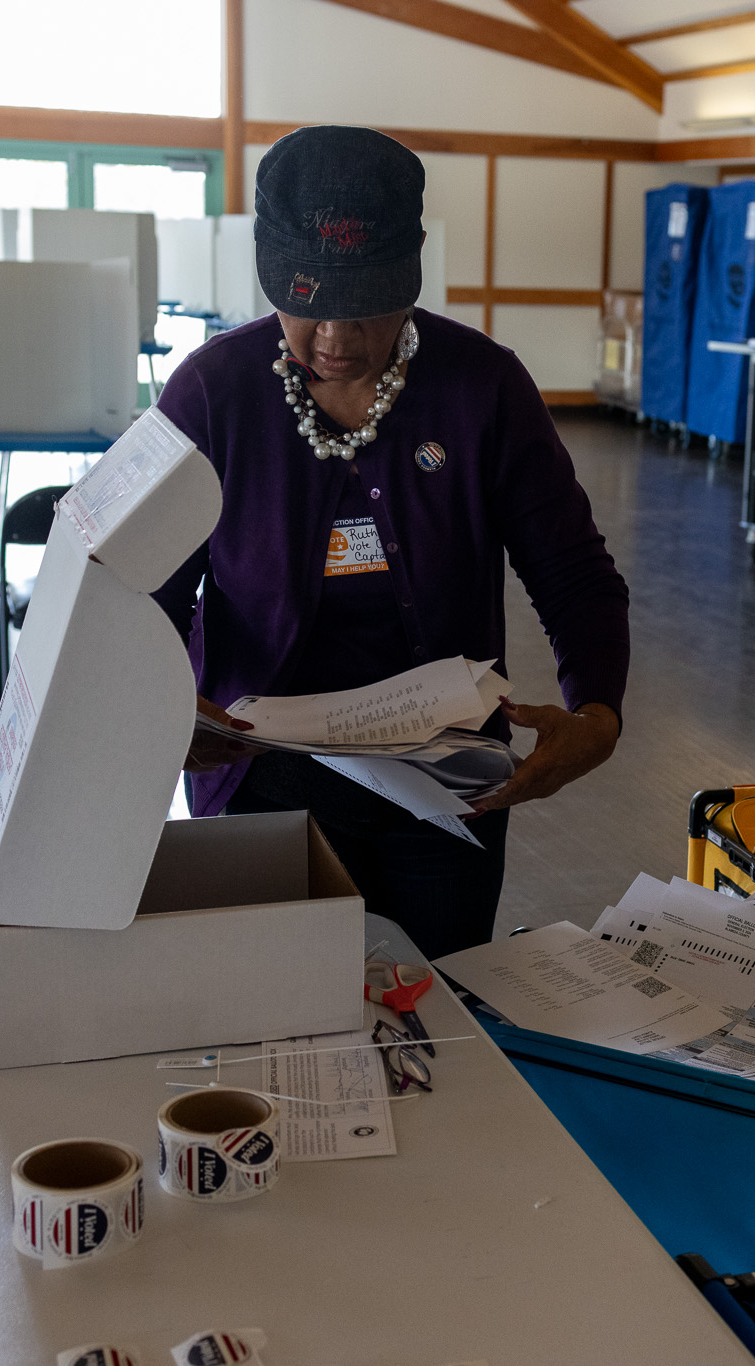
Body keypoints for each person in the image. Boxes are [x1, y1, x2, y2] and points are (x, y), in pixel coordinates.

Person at [151, 125, 629, 960]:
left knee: (437, 1005)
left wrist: (598, 712)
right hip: (263, 769)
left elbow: (571, 569)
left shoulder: (482, 386)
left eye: (365, 307)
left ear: (410, 278)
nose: (334, 338)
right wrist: (156, 706)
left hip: (448, 772)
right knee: (277, 1003)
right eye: (308, 305)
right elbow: (144, 585)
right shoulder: (214, 392)